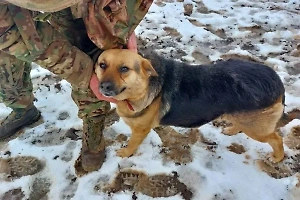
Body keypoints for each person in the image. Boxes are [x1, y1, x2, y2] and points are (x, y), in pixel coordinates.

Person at [0, 0, 153, 174]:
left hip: (80, 5)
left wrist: (122, 24)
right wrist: (83, 73)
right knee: (5, 56)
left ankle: (93, 123)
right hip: (8, 14)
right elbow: (12, 33)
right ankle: (21, 107)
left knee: (94, 51)